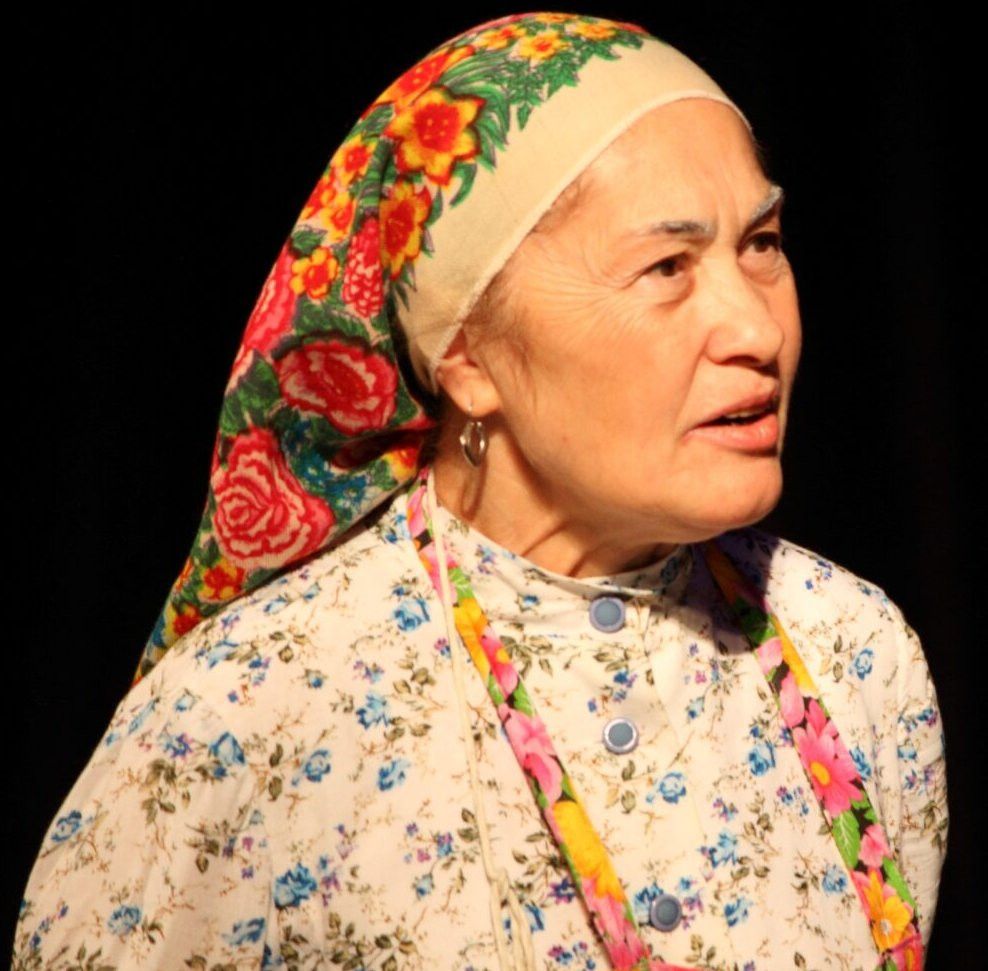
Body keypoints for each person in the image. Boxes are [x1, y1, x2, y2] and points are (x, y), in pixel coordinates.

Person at [14, 11, 947, 971]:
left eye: (762, 243)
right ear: (467, 354)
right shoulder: (251, 715)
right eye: (667, 266)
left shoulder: (854, 653)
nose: (758, 327)